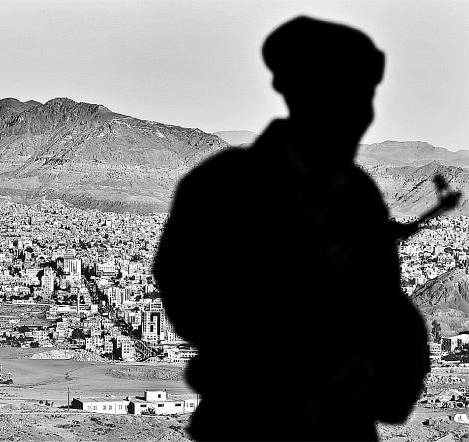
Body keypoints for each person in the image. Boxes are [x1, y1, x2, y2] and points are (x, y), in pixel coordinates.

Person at [153, 16, 429, 441]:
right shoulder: (222, 187)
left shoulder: (358, 196)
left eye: (365, 98)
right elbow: (187, 294)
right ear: (305, 98)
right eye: (346, 98)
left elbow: (386, 307)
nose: (361, 115)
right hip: (250, 421)